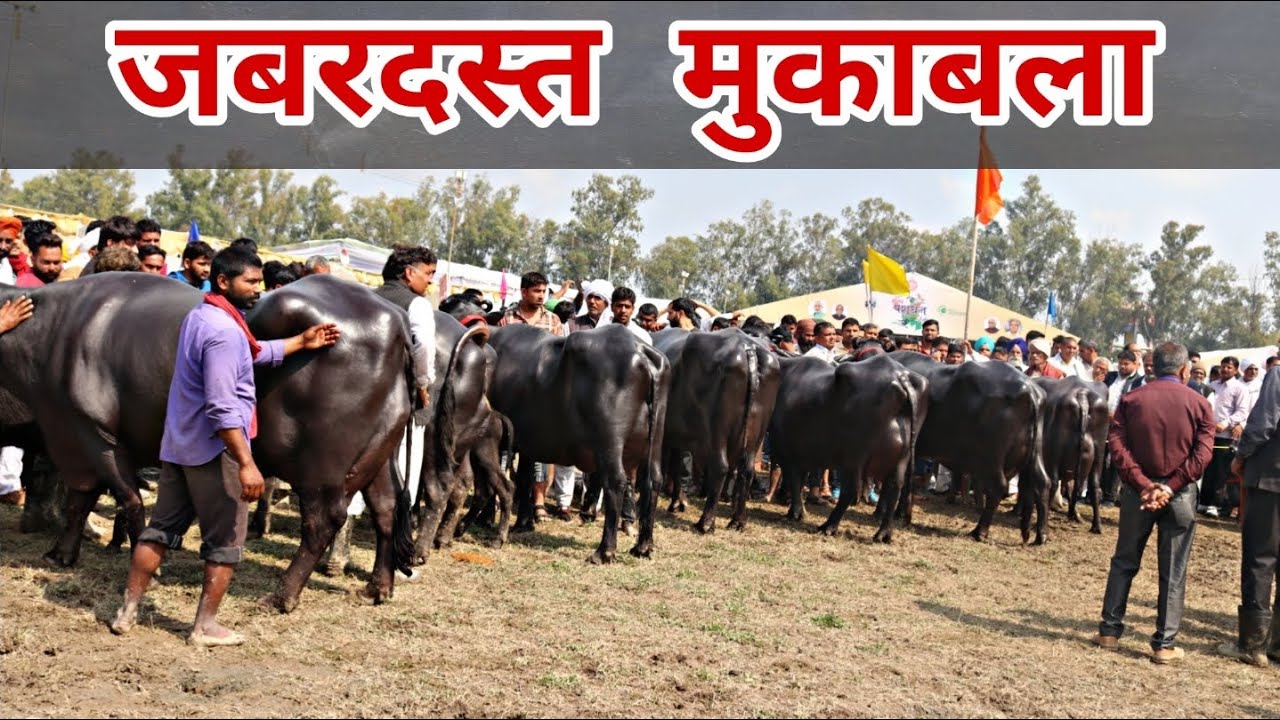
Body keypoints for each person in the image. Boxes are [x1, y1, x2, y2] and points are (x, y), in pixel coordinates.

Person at [109, 247, 341, 647]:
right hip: (215, 452)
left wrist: (299, 342)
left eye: (258, 281)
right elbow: (222, 407)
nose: (258, 289)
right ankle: (205, 627)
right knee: (226, 543)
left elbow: (247, 355)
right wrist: (246, 462)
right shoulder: (224, 332)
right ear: (222, 281)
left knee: (159, 530)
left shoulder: (203, 317)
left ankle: (128, 610)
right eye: (249, 282)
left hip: (180, 445)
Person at [1093, 342, 1214, 665]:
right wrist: (1170, 487)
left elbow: (1116, 445)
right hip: (1180, 495)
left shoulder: (1132, 399)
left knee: (1124, 561)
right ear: (1184, 370)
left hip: (1138, 492)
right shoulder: (1200, 403)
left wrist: (1145, 484)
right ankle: (1164, 644)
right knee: (1173, 570)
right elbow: (1203, 455)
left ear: (1153, 367)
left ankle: (1109, 631)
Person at [1220, 361, 1280, 666]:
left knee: (1260, 558)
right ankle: (1276, 645)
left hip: (1271, 479)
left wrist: (1241, 456)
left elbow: (1263, 424)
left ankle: (1252, 645)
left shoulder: (1278, 374)